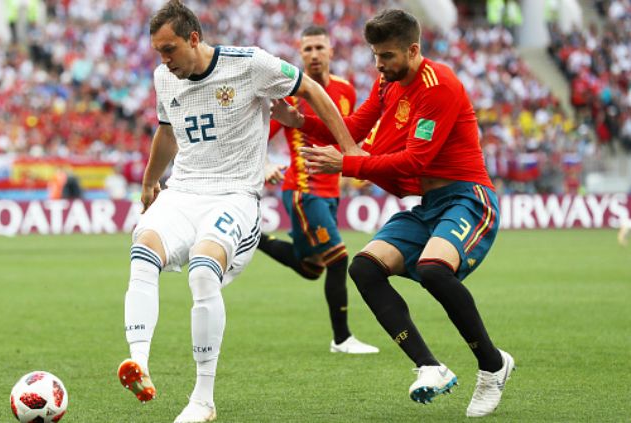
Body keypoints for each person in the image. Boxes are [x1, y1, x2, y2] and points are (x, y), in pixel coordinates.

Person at [117, 2, 362, 422]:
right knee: (143, 248)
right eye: (158, 51)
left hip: (234, 195)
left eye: (170, 49)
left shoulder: (250, 64)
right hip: (183, 191)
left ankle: (202, 398)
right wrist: (148, 181)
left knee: (202, 268)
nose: (164, 60)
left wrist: (352, 150)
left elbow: (312, 91)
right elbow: (167, 131)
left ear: (194, 38)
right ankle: (138, 361)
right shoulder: (164, 77)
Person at [272, 9, 515, 418]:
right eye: (375, 56)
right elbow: (353, 127)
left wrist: (345, 165)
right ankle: (429, 367)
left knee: (436, 269)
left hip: (468, 199)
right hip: (429, 207)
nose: (379, 65)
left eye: (385, 56)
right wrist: (303, 122)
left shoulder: (439, 87)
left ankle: (493, 366)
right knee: (364, 268)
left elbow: (413, 164)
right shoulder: (388, 82)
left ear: (413, 50)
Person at [260, 26, 378, 355]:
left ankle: (253, 238)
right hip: (302, 189)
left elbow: (349, 136)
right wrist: (264, 164)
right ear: (300, 54)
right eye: (307, 49)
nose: (313, 54)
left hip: (331, 192)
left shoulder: (345, 90)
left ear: (331, 52)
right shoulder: (292, 96)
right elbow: (259, 138)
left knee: (312, 267)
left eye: (319, 48)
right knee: (339, 259)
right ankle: (342, 339)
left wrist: (360, 167)